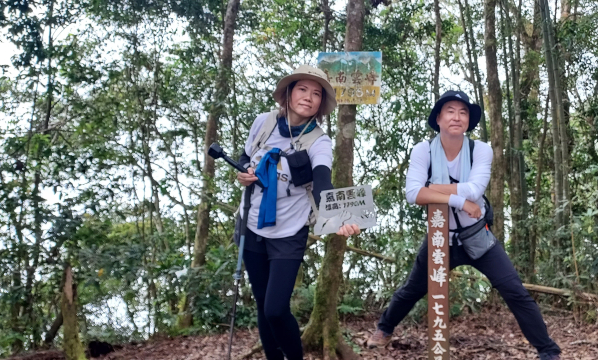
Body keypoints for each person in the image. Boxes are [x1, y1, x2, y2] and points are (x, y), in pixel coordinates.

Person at [366, 90, 562, 360]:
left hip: (476, 235)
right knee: (412, 289)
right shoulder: (423, 150)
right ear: (438, 118)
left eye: (463, 112)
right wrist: (459, 201)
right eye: (450, 111)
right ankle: (384, 329)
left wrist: (433, 188)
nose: (457, 117)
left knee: (514, 290)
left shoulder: (479, 150)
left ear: (469, 121)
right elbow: (413, 195)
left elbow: (474, 189)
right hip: (440, 238)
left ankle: (548, 350)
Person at [235, 65, 359, 360]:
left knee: (276, 309)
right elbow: (244, 157)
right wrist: (243, 173)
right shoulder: (262, 123)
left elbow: (322, 182)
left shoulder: (320, 141)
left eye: (316, 93)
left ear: (321, 105)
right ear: (288, 95)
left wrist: (337, 218)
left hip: (289, 232)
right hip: (250, 224)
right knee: (263, 306)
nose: (309, 97)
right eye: (302, 89)